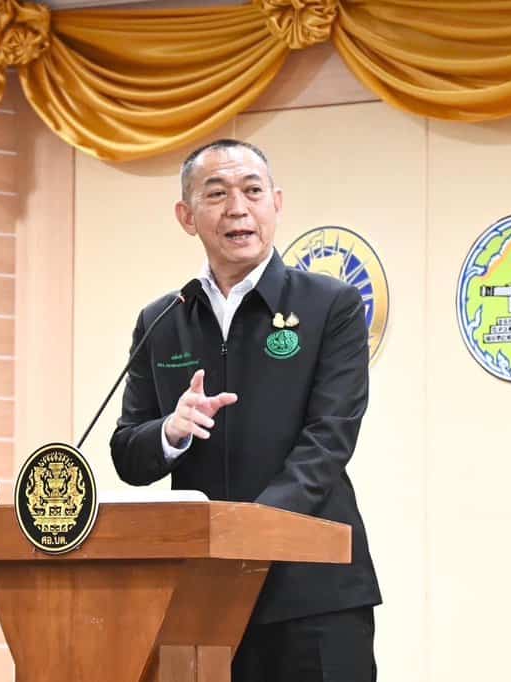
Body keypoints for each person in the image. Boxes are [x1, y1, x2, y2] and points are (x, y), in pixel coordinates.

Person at [110, 139, 381, 682]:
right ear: (186, 216)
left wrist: (248, 530)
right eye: (217, 194)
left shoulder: (330, 305)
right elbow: (128, 454)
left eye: (252, 191)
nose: (238, 208)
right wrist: (170, 432)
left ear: (276, 203)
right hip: (204, 593)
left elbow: (329, 440)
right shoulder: (163, 320)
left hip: (313, 592)